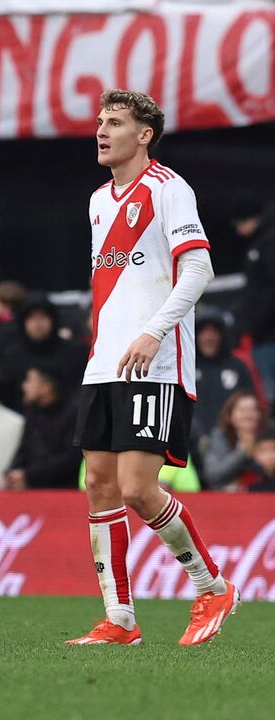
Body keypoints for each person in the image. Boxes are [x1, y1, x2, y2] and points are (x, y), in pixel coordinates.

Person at [69, 89, 237, 647]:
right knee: (99, 484)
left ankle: (211, 585)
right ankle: (120, 619)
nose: (101, 130)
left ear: (144, 135)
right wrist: (105, 345)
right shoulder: (98, 201)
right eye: (99, 121)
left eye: (114, 122)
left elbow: (198, 269)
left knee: (140, 488)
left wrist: (153, 332)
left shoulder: (169, 189)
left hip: (155, 362)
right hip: (105, 363)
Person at [0, 295, 87, 411]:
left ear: (53, 319)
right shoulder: (11, 355)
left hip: (68, 419)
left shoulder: (75, 353)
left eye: (43, 317)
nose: (38, 324)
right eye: (32, 318)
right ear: (23, 322)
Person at [5, 365, 82, 490]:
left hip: (64, 493)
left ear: (46, 387)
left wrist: (29, 475)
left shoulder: (73, 415)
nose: (24, 386)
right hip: (31, 491)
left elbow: (70, 458)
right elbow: (24, 451)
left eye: (29, 381)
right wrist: (11, 472)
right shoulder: (33, 414)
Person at [192, 312, 256, 440]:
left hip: (231, 441)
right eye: (203, 332)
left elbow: (251, 402)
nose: (209, 337)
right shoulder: (186, 366)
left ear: (222, 335)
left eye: (214, 331)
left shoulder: (237, 367)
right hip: (191, 442)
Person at [237, 200, 275, 403]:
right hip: (263, 335)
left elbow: (270, 286)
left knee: (268, 395)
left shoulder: (267, 242)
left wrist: (255, 324)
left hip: (267, 335)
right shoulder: (260, 243)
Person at [199, 390, 264, 490]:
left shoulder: (268, 436)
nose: (248, 415)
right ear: (229, 415)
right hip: (226, 497)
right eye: (242, 410)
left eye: (253, 409)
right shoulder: (220, 437)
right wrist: (242, 452)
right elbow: (212, 475)